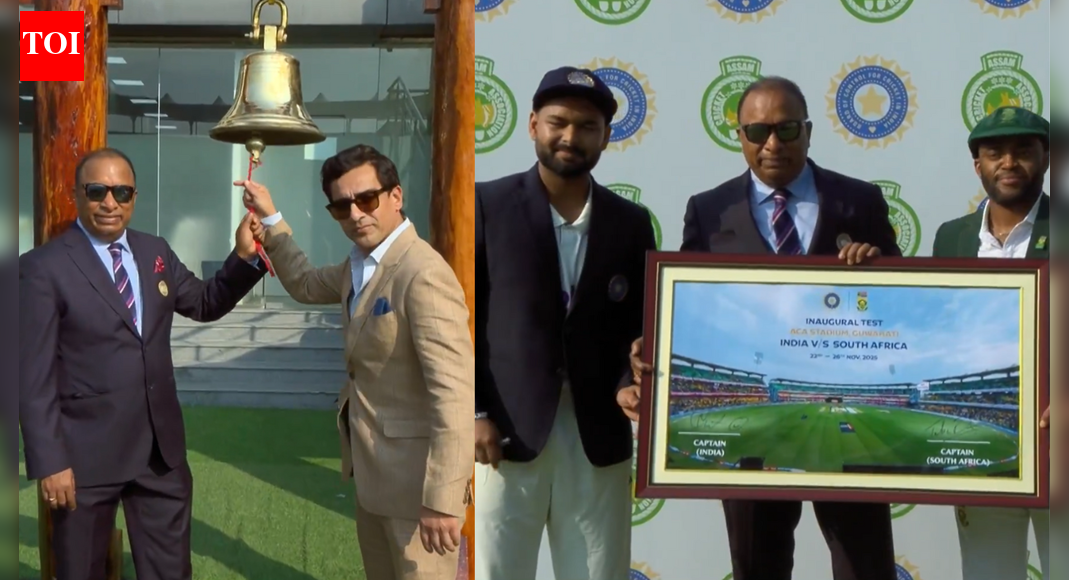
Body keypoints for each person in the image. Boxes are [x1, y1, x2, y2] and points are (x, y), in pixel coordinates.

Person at [619, 77, 902, 580]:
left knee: (865, 566)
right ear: (740, 135)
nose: (773, 143)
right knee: (757, 567)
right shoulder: (707, 210)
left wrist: (878, 268)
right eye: (758, 130)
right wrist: (654, 340)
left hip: (848, 429)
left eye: (787, 129)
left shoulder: (860, 201)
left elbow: (899, 300)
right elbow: (690, 307)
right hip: (750, 431)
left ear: (809, 131)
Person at [19, 147, 267, 580]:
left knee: (171, 572)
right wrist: (49, 461)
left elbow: (206, 303)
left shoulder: (155, 251)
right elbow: (32, 375)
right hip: (83, 461)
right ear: (77, 195)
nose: (110, 202)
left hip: (160, 456)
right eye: (97, 191)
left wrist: (242, 257)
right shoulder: (42, 268)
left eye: (122, 192)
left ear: (134, 197)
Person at [239, 144, 473, 580]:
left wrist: (442, 498)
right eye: (341, 206)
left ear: (396, 197)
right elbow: (307, 284)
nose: (356, 214)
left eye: (367, 199)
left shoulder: (423, 273)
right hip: (373, 480)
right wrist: (270, 217)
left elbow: (455, 394)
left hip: (418, 493)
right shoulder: (358, 265)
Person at [473, 66, 656, 580]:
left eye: (587, 126)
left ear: (607, 136)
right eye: (557, 122)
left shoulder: (630, 221)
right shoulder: (486, 205)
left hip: (598, 436)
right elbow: (458, 320)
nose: (570, 137)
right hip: (504, 436)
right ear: (532, 124)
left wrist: (630, 381)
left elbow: (637, 330)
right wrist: (473, 411)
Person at [931, 106, 1050, 580]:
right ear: (976, 164)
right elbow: (936, 327)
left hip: (1056, 439)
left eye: (1023, 151)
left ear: (1046, 158)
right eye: (994, 152)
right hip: (984, 447)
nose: (1009, 162)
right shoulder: (952, 237)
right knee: (987, 572)